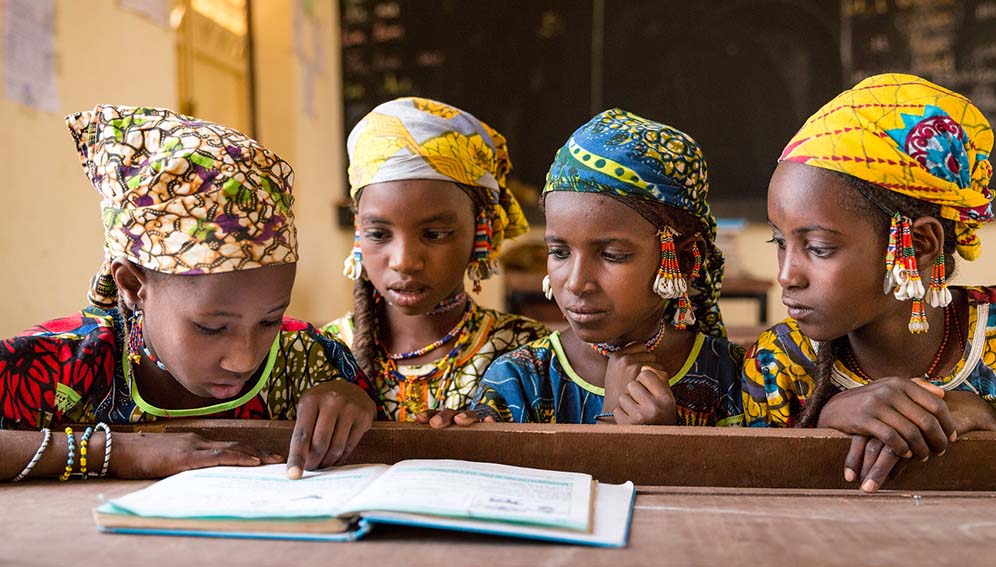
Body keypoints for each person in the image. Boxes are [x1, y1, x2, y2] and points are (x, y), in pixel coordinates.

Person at [1, 105, 375, 482]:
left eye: (269, 320)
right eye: (211, 328)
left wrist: (357, 402)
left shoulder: (310, 361)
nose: (243, 359)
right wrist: (115, 452)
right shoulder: (57, 365)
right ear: (133, 285)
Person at [743, 73, 996, 492]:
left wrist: (984, 415)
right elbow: (744, 498)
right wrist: (822, 422)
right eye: (779, 242)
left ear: (918, 243)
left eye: (819, 248)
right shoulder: (778, 365)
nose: (786, 275)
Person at [460, 109, 744, 426]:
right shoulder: (519, 380)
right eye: (559, 251)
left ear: (683, 260)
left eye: (611, 254)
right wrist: (611, 425)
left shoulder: (735, 379)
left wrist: (669, 441)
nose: (577, 283)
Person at [323, 97, 548, 423]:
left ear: (481, 229)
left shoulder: (527, 353)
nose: (404, 261)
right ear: (359, 230)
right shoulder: (323, 355)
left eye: (434, 234)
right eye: (379, 235)